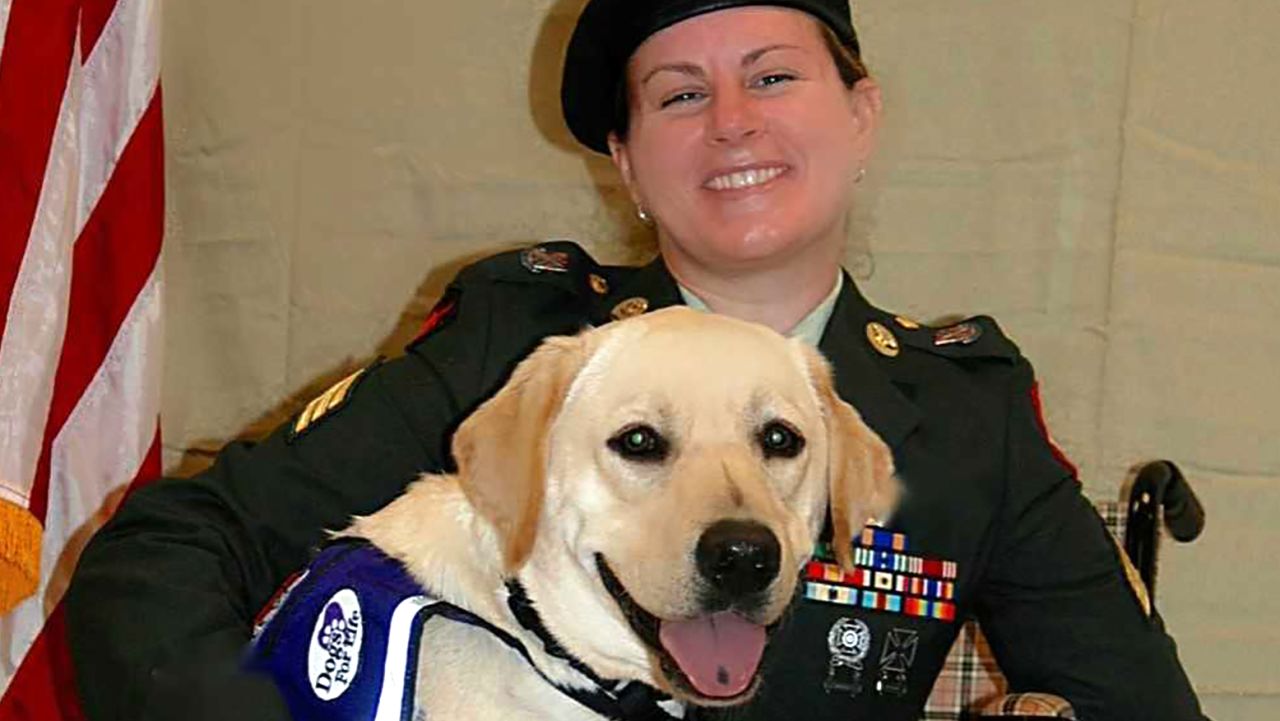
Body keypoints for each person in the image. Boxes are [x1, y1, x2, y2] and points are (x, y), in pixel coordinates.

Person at [64, 1, 1208, 719]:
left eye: (771, 75)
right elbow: (165, 553)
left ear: (860, 113)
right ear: (622, 157)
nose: (730, 123)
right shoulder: (520, 343)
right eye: (677, 95)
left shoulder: (964, 412)